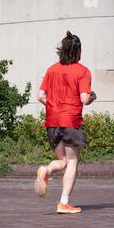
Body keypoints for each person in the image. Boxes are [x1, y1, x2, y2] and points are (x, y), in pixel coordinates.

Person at [34, 31, 97, 214]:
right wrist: (93, 96)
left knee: (62, 160)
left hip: (52, 121)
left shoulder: (52, 69)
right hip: (70, 120)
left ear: (62, 50)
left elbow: (40, 96)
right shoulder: (83, 71)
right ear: (78, 51)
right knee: (72, 161)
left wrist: (55, 106)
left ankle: (47, 169)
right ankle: (64, 203)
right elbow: (84, 99)